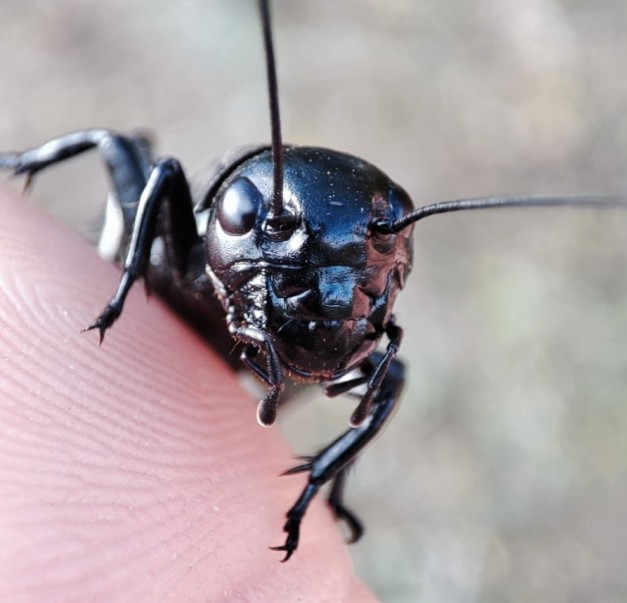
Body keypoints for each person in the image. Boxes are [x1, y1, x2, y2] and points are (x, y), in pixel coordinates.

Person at [0, 189, 376, 601]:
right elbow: (163, 177)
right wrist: (122, 290)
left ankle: (322, 488)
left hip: (207, 370)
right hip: (169, 300)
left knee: (389, 380)